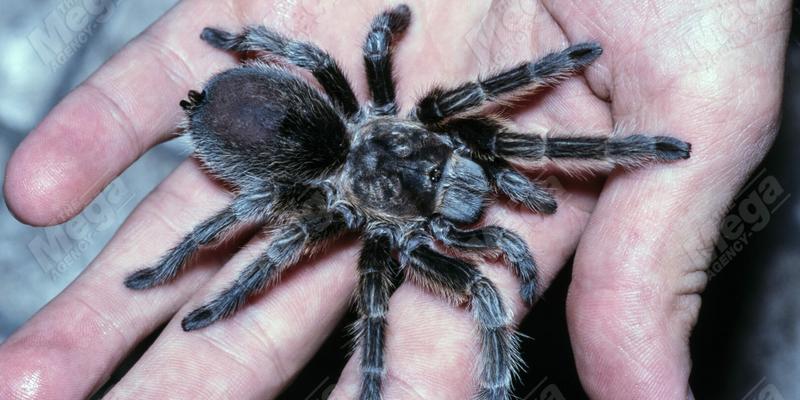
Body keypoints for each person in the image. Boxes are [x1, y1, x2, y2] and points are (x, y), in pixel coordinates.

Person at [0, 1, 791, 398]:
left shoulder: (423, 121)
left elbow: (382, 39)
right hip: (287, 137)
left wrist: (629, 134)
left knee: (513, 154)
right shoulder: (376, 217)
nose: (471, 185)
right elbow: (372, 41)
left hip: (317, 123)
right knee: (281, 235)